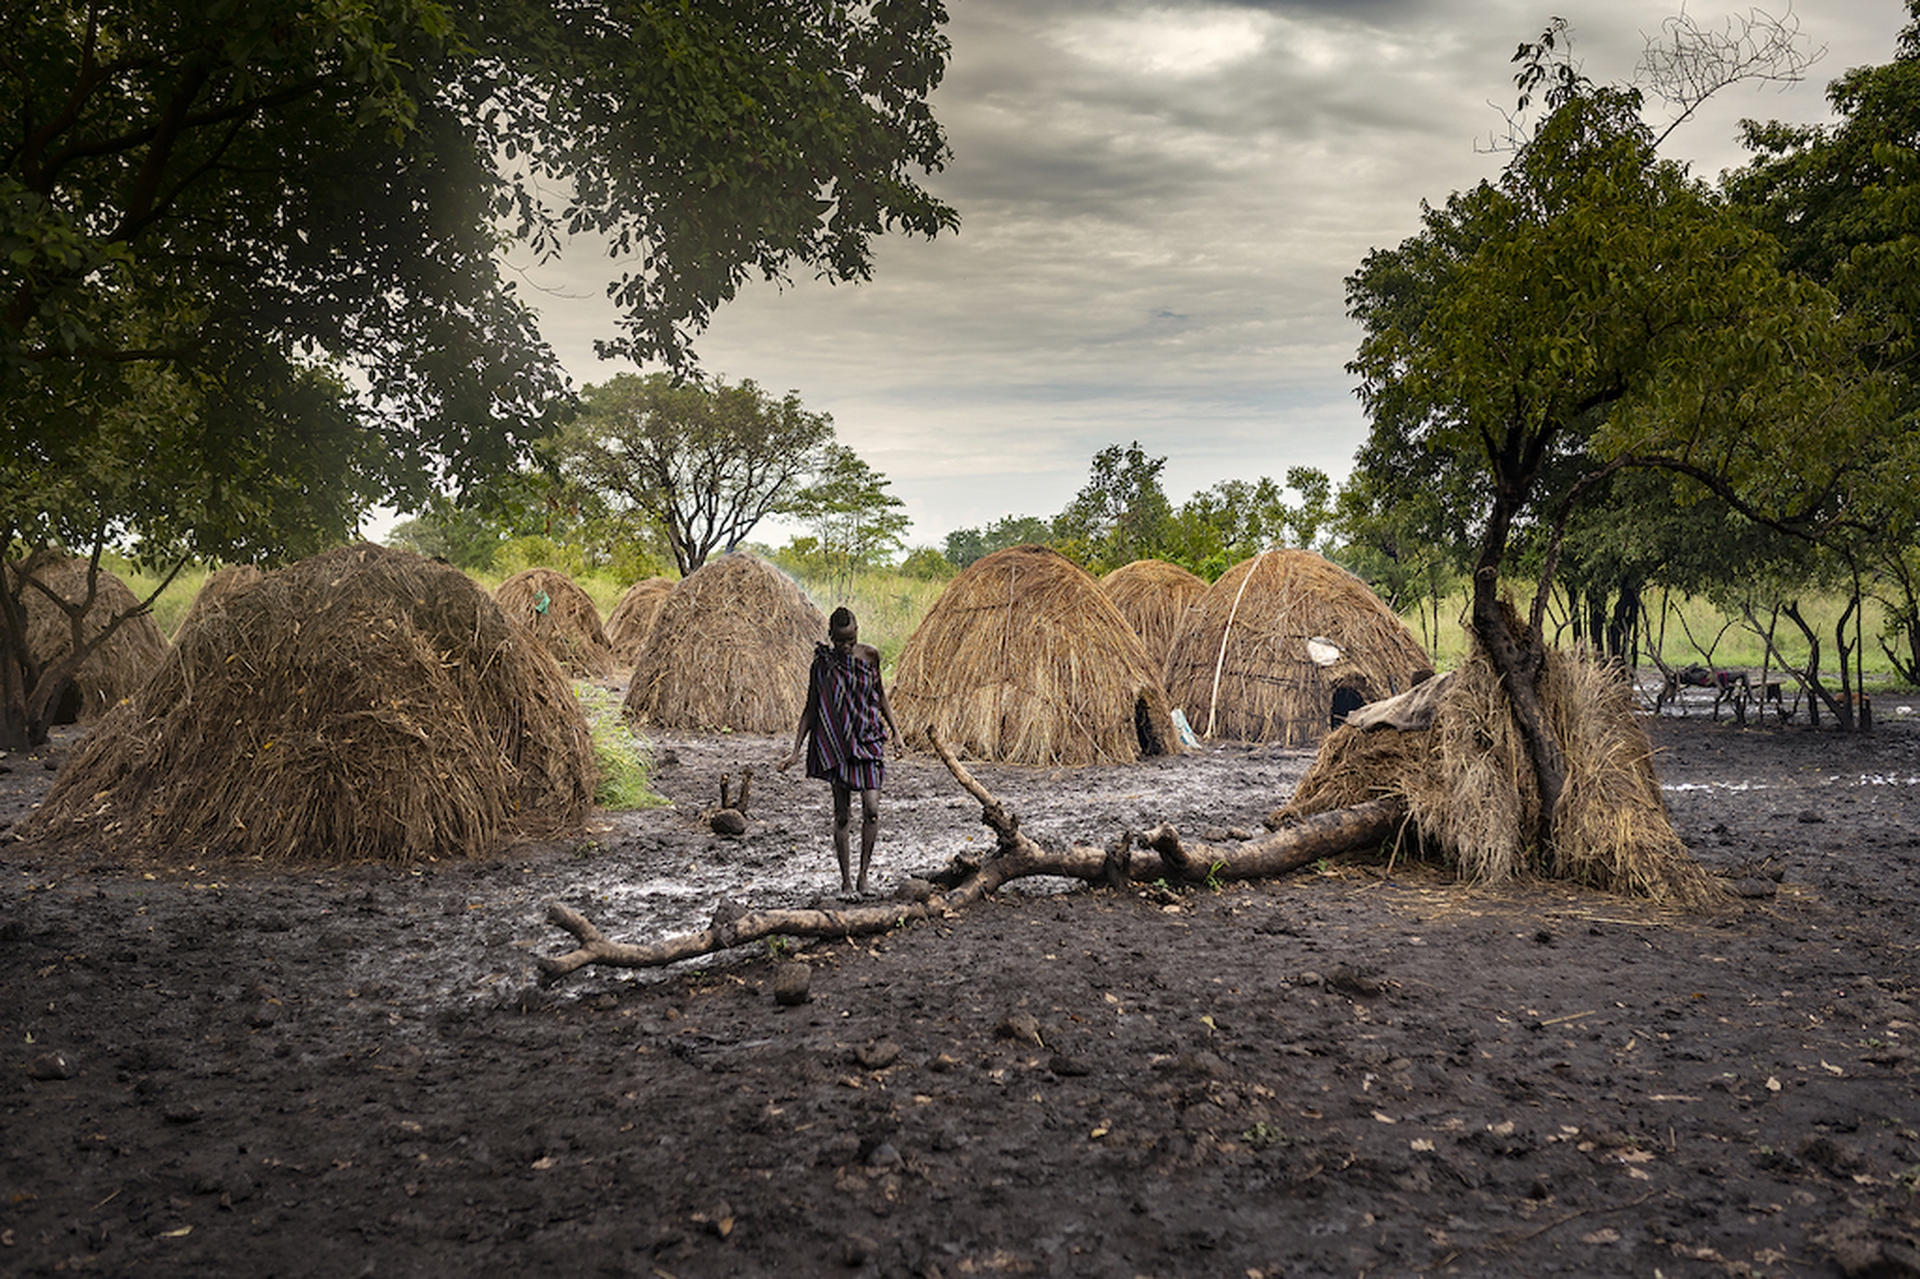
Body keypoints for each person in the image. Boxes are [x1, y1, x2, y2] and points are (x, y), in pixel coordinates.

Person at [779, 607, 900, 897]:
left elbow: (880, 693)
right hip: (837, 745)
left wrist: (896, 732)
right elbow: (810, 708)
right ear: (830, 637)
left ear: (857, 630)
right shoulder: (822, 665)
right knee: (842, 815)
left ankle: (863, 878)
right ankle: (845, 883)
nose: (845, 647)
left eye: (850, 639)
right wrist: (795, 750)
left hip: (869, 738)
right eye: (840, 642)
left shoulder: (870, 655)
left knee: (872, 809)